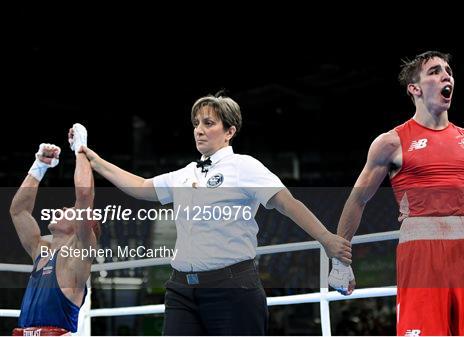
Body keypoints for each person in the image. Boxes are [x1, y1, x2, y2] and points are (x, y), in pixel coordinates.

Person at [80, 93, 352, 335]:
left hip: (232, 288)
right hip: (181, 290)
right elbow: (140, 186)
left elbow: (286, 203)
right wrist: (94, 160)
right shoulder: (186, 173)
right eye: (196, 124)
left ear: (229, 131)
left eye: (208, 123)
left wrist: (326, 239)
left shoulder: (244, 166)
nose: (199, 130)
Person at [329, 51, 464, 336]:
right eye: (435, 71)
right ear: (415, 88)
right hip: (421, 254)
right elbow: (358, 199)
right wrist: (340, 261)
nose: (446, 75)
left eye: (448, 70)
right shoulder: (391, 142)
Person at [10, 123, 98, 336]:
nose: (63, 208)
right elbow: (19, 211)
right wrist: (39, 166)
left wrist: (80, 149)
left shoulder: (79, 252)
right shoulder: (40, 248)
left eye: (70, 209)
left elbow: (84, 197)